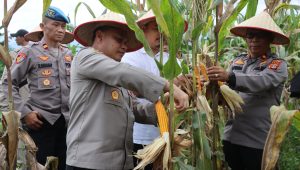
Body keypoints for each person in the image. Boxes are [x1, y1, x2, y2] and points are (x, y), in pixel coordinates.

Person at [66, 12, 189, 170]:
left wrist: (162, 106)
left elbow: (134, 109)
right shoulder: (85, 57)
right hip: (89, 164)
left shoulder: (116, 75)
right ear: (99, 36)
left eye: (125, 42)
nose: (124, 46)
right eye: (119, 40)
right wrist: (169, 87)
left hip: (120, 163)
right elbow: (123, 72)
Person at [206, 12, 289, 170]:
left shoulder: (277, 65)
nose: (254, 40)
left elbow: (260, 82)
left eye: (260, 36)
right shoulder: (238, 61)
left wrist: (229, 77)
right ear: (245, 38)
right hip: (231, 137)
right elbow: (227, 90)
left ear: (270, 39)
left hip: (257, 141)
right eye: (250, 36)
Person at [3, 6, 74, 169]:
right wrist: (25, 113)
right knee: (40, 165)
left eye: (63, 26)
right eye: (55, 25)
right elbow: (7, 83)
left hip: (67, 124)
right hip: (41, 122)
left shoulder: (68, 54)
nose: (60, 30)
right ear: (43, 27)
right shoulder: (30, 52)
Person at [121, 9, 187, 169]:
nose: (163, 33)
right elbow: (131, 90)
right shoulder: (130, 57)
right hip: (140, 134)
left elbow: (180, 87)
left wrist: (186, 84)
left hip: (169, 132)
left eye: (166, 29)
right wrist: (168, 88)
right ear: (143, 29)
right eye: (157, 28)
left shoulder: (173, 59)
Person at [0, 29, 30, 111]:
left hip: (23, 100)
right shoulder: (40, 50)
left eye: (17, 37)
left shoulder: (15, 55)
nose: (15, 39)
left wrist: (4, 106)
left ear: (23, 37)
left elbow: (6, 81)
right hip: (25, 101)